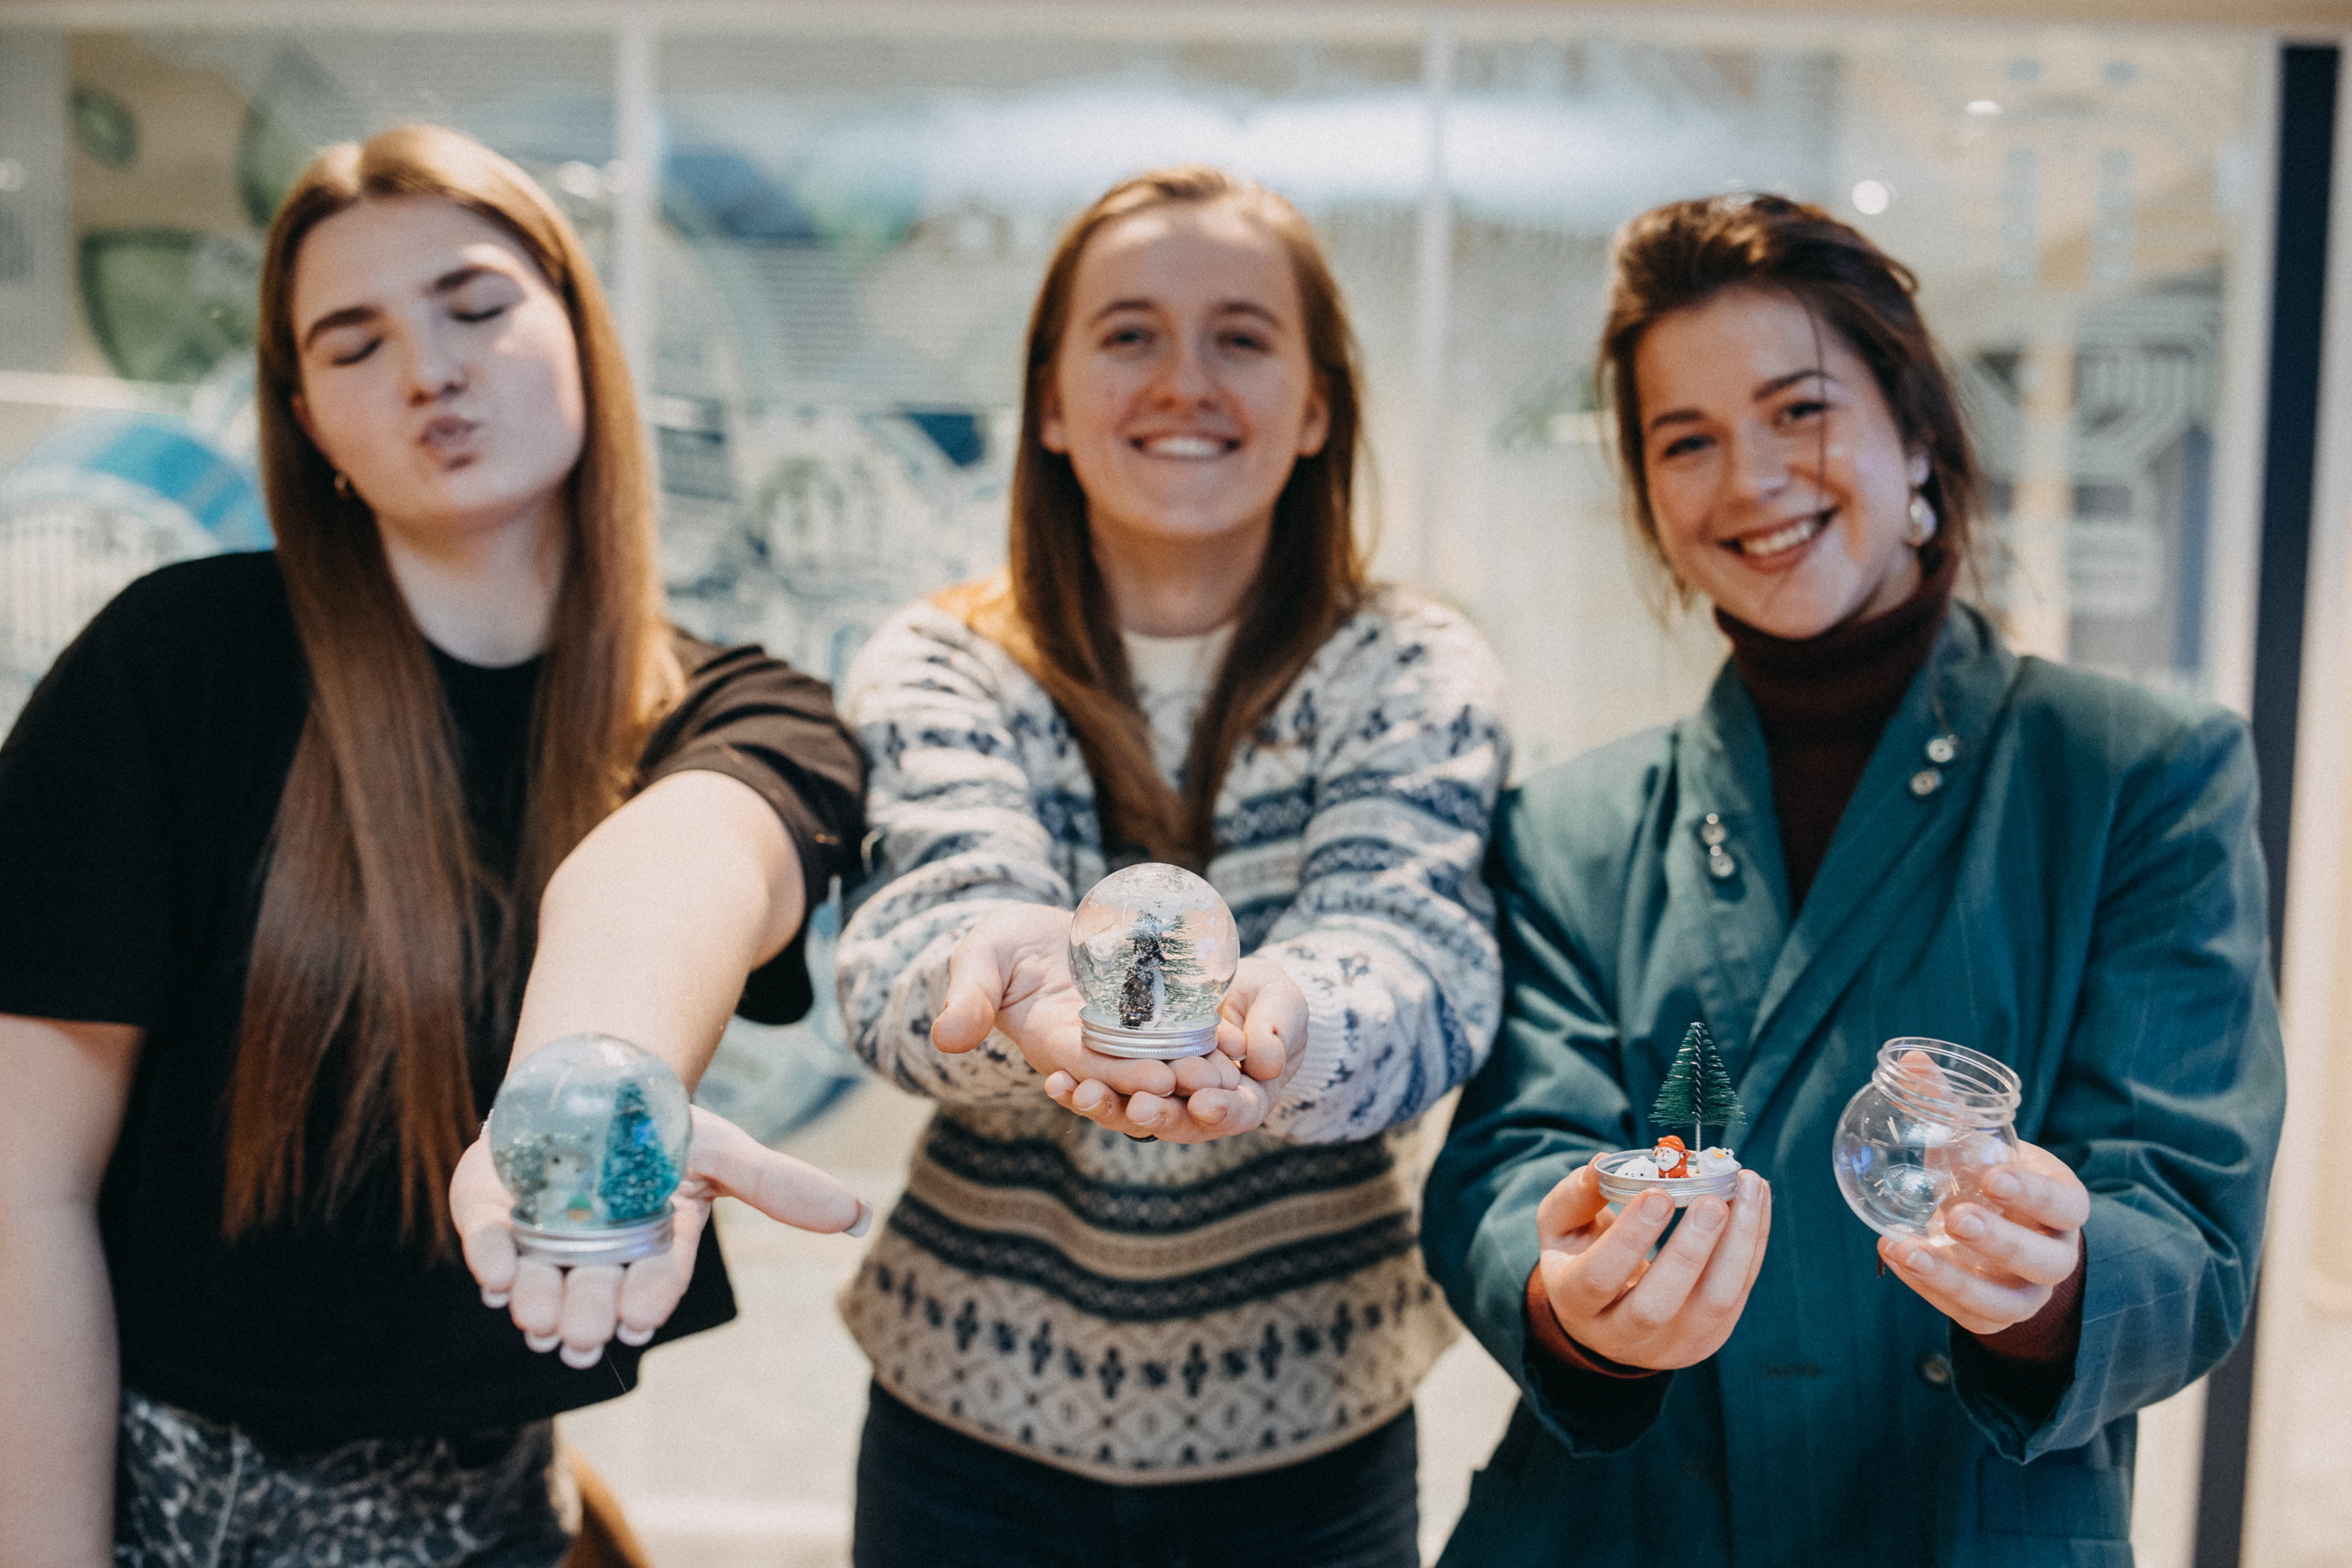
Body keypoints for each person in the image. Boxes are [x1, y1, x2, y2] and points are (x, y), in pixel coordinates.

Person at [0, 125, 872, 1568]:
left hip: (504, 1520)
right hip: (150, 1507)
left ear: (581, 335)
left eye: (475, 307)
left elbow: (689, 863)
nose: (428, 369)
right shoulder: (175, 667)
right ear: (306, 418)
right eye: (354, 343)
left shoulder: (736, 707)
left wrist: (593, 1076)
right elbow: (23, 1188)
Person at [1421, 191, 2285, 1564]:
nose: (1749, 477)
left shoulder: (2138, 774)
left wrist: (2057, 1280)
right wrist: (1571, 1293)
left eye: (1800, 411)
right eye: (1686, 440)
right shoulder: (1569, 827)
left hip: (1959, 1520)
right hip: (1623, 1525)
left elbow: (2187, 1218)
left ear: (1918, 433)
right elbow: (1505, 1163)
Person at [834, 166, 1510, 1568]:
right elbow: (915, 941)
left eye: (1241, 337)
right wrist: (1006, 992)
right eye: (1130, 333)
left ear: (1317, 407)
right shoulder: (942, 662)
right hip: (968, 1420)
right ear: (1050, 401)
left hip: (1312, 1431)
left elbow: (1421, 958)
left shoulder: (1411, 667)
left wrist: (1284, 1026)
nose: (1183, 381)